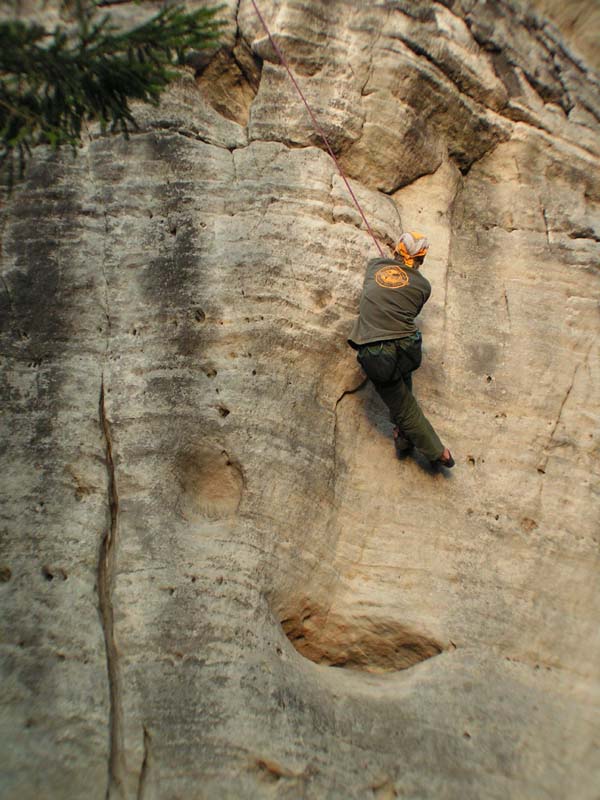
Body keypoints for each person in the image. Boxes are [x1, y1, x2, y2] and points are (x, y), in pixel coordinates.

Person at [348, 231, 454, 468]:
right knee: (402, 382)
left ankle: (438, 452)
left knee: (403, 405)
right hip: (408, 348)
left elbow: (384, 280)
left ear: (395, 251)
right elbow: (411, 309)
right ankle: (404, 436)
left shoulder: (374, 267)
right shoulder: (423, 287)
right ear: (421, 260)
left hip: (378, 355)